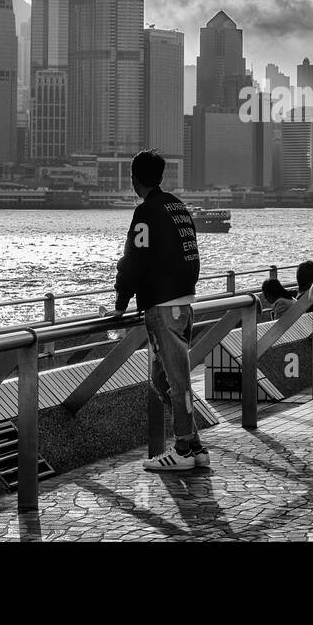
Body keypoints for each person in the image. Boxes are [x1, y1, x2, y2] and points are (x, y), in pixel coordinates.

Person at [113, 149, 207, 472]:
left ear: (134, 180)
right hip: (184, 301)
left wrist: (120, 302)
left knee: (176, 381)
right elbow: (191, 250)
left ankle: (182, 449)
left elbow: (133, 262)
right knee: (163, 378)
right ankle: (194, 444)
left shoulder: (145, 213)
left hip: (163, 306)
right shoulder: (178, 207)